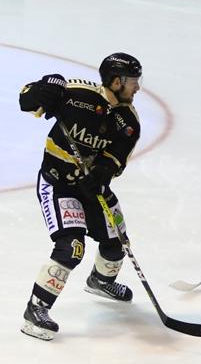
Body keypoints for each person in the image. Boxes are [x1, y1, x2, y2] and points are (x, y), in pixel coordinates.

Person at [18, 52, 142, 341]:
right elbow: (26, 99)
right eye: (132, 81)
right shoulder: (77, 95)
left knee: (117, 242)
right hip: (58, 184)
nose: (137, 87)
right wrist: (44, 89)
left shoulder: (128, 121)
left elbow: (117, 160)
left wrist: (102, 173)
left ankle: (101, 280)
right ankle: (35, 310)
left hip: (92, 188)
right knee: (71, 247)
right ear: (116, 82)